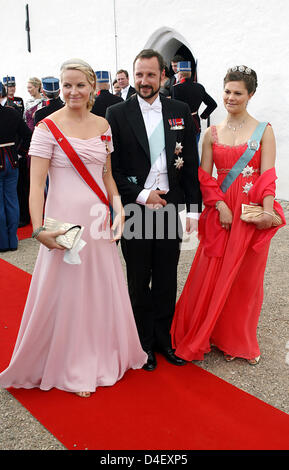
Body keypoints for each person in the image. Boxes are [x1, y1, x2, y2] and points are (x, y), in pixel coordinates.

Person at [0, 58, 147, 398]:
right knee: (67, 293)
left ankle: (102, 353)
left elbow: (107, 176)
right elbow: (36, 186)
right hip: (63, 223)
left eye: (80, 84)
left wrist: (118, 209)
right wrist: (38, 231)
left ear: (93, 87)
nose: (73, 91)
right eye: (67, 85)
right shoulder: (45, 127)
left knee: (99, 289)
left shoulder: (103, 126)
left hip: (98, 223)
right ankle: (72, 363)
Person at [171, 65, 286, 365]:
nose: (231, 98)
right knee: (212, 274)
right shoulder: (211, 133)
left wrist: (266, 210)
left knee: (247, 279)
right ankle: (210, 332)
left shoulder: (265, 130)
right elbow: (204, 176)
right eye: (227, 91)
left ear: (250, 95)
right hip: (220, 211)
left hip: (250, 212)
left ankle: (240, 340)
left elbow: (268, 175)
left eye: (238, 93)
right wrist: (219, 205)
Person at [106, 49, 202, 372]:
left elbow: (190, 162)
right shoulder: (117, 113)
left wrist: (192, 209)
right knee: (138, 278)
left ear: (164, 76)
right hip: (136, 209)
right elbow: (112, 170)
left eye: (150, 75)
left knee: (165, 277)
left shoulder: (180, 109)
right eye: (139, 75)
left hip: (170, 208)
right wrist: (143, 194)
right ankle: (143, 343)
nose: (144, 82)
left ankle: (163, 339)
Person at [0, 81, 31, 252]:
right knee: (12, 201)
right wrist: (19, 153)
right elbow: (28, 136)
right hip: (12, 160)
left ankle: (3, 243)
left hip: (7, 159)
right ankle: (12, 241)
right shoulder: (12, 113)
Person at [173, 61, 217, 146]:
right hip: (195, 123)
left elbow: (175, 110)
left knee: (179, 155)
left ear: (180, 75)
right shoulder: (199, 87)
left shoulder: (176, 88)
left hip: (180, 124)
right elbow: (212, 104)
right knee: (194, 153)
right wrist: (203, 116)